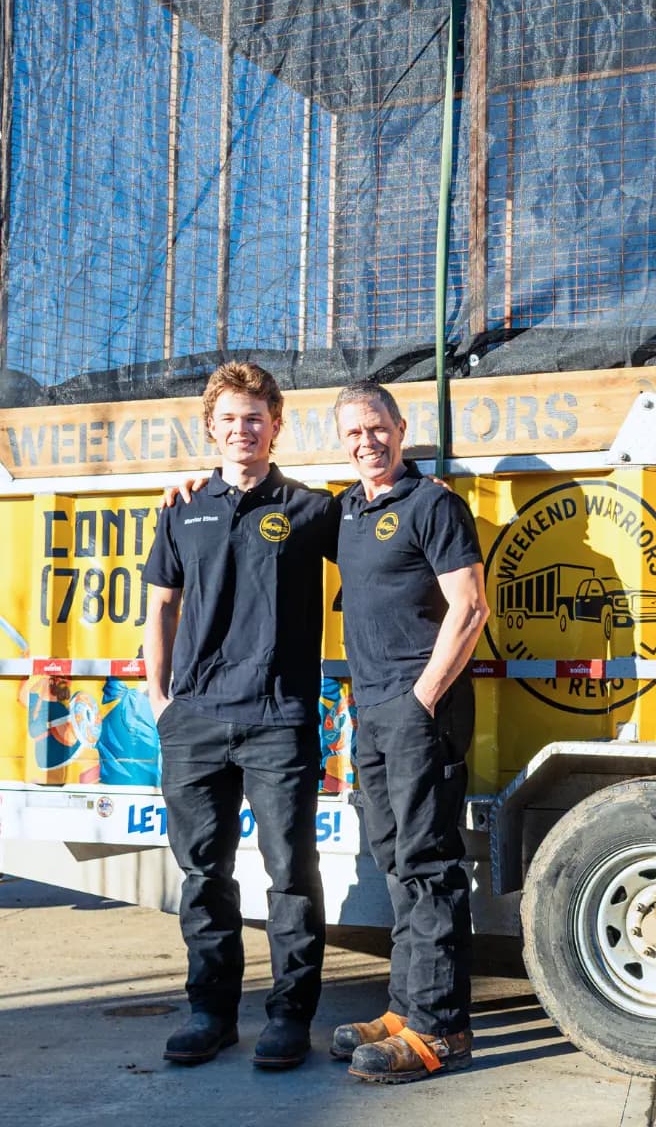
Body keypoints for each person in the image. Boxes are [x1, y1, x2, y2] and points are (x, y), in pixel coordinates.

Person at [143, 361, 338, 1069]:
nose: (241, 429)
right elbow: (160, 606)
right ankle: (211, 1013)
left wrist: (421, 493)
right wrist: (161, 699)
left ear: (276, 426)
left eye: (254, 417)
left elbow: (383, 533)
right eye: (228, 419)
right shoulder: (182, 507)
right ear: (211, 429)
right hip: (194, 722)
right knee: (204, 877)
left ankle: (290, 1018)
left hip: (278, 719)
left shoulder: (314, 508)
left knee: (289, 874)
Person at [326, 380, 488, 1083]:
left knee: (429, 865)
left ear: (400, 426)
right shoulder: (347, 514)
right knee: (394, 862)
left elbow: (471, 606)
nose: (368, 442)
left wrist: (421, 699)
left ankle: (440, 1029)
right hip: (372, 711)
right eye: (354, 434)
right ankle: (404, 1008)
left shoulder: (434, 506)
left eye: (377, 428)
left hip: (422, 708)